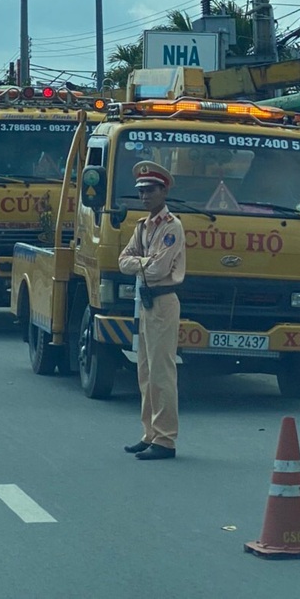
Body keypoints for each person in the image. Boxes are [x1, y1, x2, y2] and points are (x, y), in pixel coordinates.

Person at [118, 161, 185, 460]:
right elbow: (122, 261)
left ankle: (166, 439)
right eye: (141, 191)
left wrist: (140, 264)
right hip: (146, 302)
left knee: (161, 373)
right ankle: (150, 433)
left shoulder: (172, 226)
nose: (145, 196)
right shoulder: (143, 227)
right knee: (144, 371)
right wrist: (143, 264)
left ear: (163, 191)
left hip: (163, 301)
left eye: (150, 190)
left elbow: (158, 269)